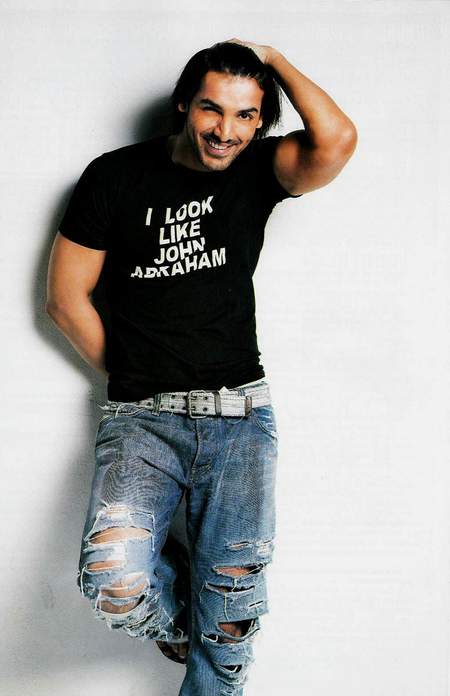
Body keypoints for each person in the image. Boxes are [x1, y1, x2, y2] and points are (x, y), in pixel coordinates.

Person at [46, 38, 357, 695]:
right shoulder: (115, 176)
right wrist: (133, 372)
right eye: (213, 109)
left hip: (241, 417)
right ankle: (202, 617)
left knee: (230, 635)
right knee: (114, 580)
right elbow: (65, 299)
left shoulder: (258, 169)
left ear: (260, 122)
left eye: (246, 115)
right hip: (142, 420)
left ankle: (220, 629)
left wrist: (272, 58)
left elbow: (336, 140)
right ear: (185, 104)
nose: (226, 131)